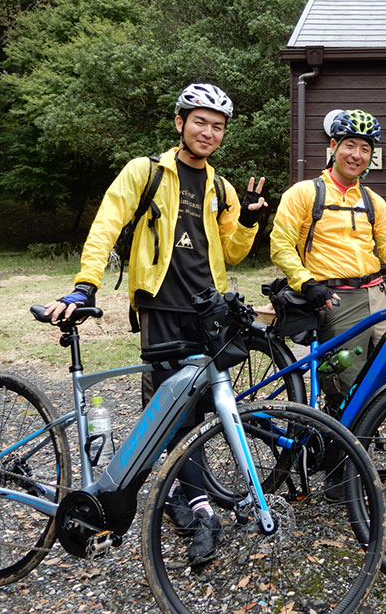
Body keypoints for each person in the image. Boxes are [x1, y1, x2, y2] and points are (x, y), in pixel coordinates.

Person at [45, 82, 267, 564]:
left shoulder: (221, 188)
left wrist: (248, 222)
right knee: (175, 410)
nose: (209, 132)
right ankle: (199, 509)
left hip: (209, 308)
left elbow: (229, 252)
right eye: (200, 122)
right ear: (180, 123)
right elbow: (107, 222)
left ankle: (176, 492)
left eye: (218, 126)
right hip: (162, 305)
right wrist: (87, 283)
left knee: (206, 405)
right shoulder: (144, 172)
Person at [268, 108, 386, 521]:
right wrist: (304, 281)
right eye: (350, 145)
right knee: (348, 390)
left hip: (378, 294)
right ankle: (339, 471)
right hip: (333, 300)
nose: (357, 154)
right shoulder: (304, 193)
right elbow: (280, 244)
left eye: (365, 148)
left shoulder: (372, 200)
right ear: (332, 147)